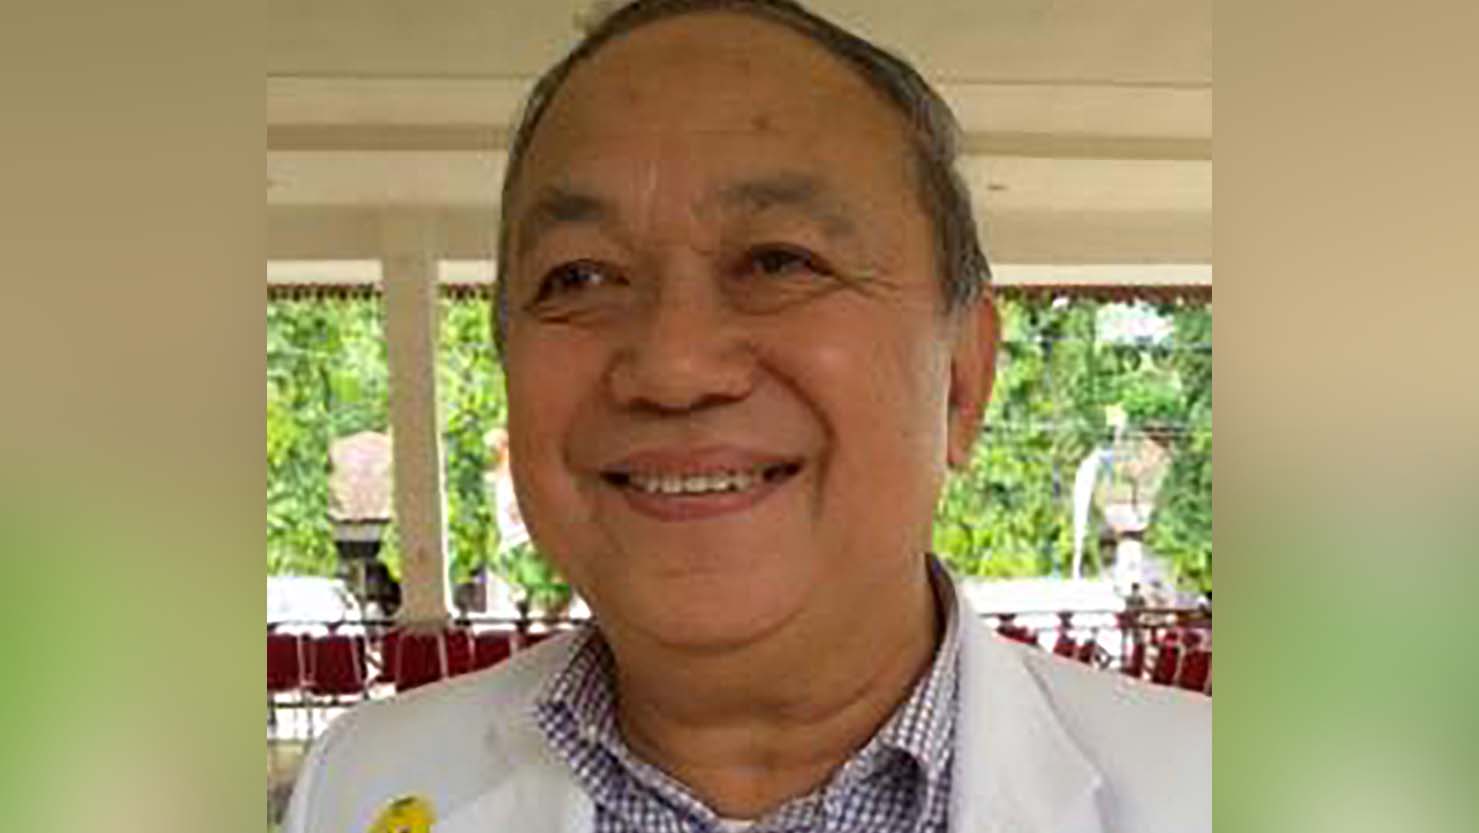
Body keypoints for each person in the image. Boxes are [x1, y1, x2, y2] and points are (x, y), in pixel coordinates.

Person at [284, 2, 1210, 832]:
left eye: (779, 261)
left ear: (961, 379)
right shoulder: (360, 783)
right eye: (580, 275)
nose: (672, 367)